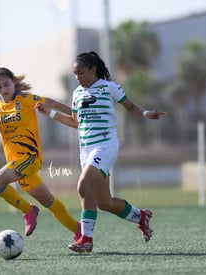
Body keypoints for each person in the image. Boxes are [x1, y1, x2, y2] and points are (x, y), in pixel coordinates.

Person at [35, 51, 166, 253]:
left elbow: (131, 107)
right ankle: (141, 216)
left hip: (105, 145)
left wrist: (147, 114)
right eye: (75, 74)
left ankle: (86, 239)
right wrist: (50, 112)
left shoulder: (109, 87)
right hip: (86, 151)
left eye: (81, 72)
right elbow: (75, 122)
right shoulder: (77, 93)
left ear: (93, 69)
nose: (78, 77)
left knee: (82, 185)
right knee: (105, 203)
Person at [0, 67, 81, 241]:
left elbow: (53, 103)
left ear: (14, 82)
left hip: (30, 158)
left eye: (6, 84)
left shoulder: (26, 99)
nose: (4, 89)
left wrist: (75, 115)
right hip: (17, 166)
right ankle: (79, 232)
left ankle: (28, 211)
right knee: (49, 202)